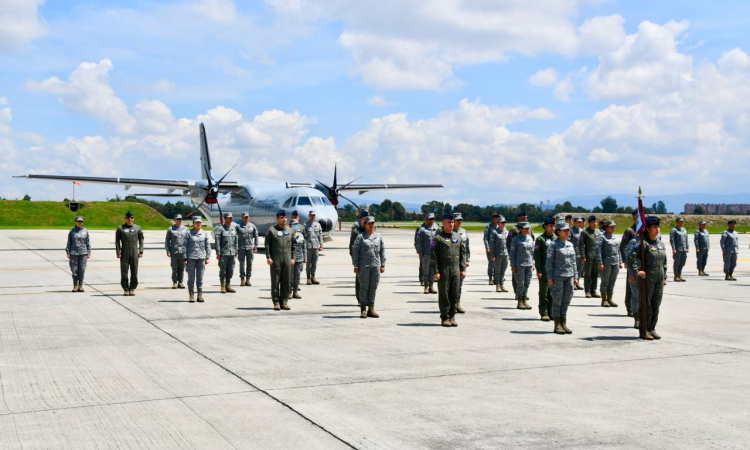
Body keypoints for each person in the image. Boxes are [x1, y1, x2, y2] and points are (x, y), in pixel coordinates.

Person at [628, 216, 668, 340]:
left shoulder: (660, 244)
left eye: (658, 227)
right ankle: (644, 330)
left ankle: (652, 328)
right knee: (647, 305)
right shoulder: (642, 243)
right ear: (647, 229)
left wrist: (664, 276)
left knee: (656, 304)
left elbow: (664, 262)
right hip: (647, 279)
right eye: (654, 227)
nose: (657, 229)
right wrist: (637, 271)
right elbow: (631, 257)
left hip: (659, 279)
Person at [430, 212, 466, 327]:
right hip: (444, 270)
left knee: (455, 293)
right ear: (443, 223)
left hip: (456, 269)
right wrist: (436, 271)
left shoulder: (458, 237)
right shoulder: (437, 239)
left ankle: (452, 316)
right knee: (444, 294)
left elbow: (462, 254)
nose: (451, 224)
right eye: (448, 222)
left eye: (452, 222)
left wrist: (462, 268)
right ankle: (444, 317)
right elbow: (433, 256)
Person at [352, 216, 386, 319]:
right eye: (369, 223)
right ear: (364, 224)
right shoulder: (361, 237)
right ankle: (363, 309)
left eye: (373, 223)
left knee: (373, 287)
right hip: (363, 267)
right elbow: (355, 252)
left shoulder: (378, 236)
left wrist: (383, 264)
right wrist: (356, 265)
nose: (371, 225)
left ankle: (371, 309)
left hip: (375, 266)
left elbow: (382, 251)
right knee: (363, 287)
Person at [546, 222, 577, 334]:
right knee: (557, 301)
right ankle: (557, 324)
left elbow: (574, 262)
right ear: (558, 232)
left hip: (569, 276)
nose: (567, 232)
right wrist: (550, 277)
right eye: (564, 230)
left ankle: (563, 322)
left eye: (568, 230)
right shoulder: (553, 245)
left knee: (566, 300)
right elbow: (549, 262)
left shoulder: (570, 244)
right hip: (557, 276)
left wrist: (575, 276)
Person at [266, 210, 296, 310]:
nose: (284, 219)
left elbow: (294, 245)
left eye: (285, 217)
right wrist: (268, 257)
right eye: (282, 217)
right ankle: (276, 302)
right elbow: (267, 245)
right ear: (277, 218)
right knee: (275, 281)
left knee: (286, 281)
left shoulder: (291, 231)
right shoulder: (271, 231)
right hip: (276, 259)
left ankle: (284, 301)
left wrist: (293, 258)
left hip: (287, 259)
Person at [115, 211, 144, 296]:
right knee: (124, 271)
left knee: (134, 270)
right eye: (128, 217)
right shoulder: (120, 228)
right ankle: (125, 288)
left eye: (131, 217)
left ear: (133, 218)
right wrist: (118, 251)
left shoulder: (137, 228)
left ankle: (132, 288)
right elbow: (117, 241)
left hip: (134, 251)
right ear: (125, 218)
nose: (129, 219)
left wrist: (141, 250)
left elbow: (141, 239)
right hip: (124, 251)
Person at [507, 211, 535, 298]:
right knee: (517, 278)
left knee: (526, 280)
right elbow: (508, 241)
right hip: (517, 258)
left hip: (527, 257)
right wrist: (511, 255)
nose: (525, 219)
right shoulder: (513, 229)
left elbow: (532, 239)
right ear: (518, 218)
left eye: (526, 218)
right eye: (523, 218)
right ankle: (517, 293)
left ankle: (523, 294)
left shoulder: (529, 229)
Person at [534, 216, 556, 321]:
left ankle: (551, 311)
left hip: (554, 272)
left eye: (554, 226)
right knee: (544, 292)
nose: (553, 228)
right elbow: (537, 256)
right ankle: (544, 312)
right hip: (544, 271)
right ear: (545, 226)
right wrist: (539, 270)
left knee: (552, 293)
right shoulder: (540, 239)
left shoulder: (556, 239)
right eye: (550, 226)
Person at [184, 216, 210, 302]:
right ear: (193, 223)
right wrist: (185, 258)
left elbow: (207, 246)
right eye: (196, 222)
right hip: (191, 257)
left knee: (200, 277)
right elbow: (184, 246)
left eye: (199, 222)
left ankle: (200, 295)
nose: (198, 224)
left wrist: (207, 257)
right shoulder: (188, 233)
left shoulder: (204, 233)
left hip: (201, 258)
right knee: (191, 278)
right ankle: (191, 295)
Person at [510, 222, 534, 310]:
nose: (527, 229)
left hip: (529, 264)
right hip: (519, 264)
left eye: (528, 228)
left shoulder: (530, 238)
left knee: (527, 283)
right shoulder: (516, 239)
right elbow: (512, 253)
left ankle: (524, 300)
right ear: (520, 229)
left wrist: (533, 262)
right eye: (525, 228)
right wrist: (512, 265)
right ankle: (519, 301)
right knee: (520, 283)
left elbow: (532, 251)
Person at [598, 220, 621, 307]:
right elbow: (598, 251)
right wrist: (600, 262)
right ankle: (604, 299)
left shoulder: (615, 238)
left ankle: (610, 298)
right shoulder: (602, 237)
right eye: (611, 227)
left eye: (614, 226)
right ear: (606, 227)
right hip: (606, 262)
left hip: (615, 262)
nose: (613, 228)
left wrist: (620, 261)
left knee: (612, 281)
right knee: (605, 281)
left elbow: (618, 251)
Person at [214, 212, 239, 293]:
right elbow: (217, 241)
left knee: (230, 270)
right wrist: (218, 253)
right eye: (229, 217)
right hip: (223, 253)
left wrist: (236, 251)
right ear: (225, 218)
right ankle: (222, 286)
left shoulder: (233, 228)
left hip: (232, 253)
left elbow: (236, 241)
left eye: (231, 217)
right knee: (223, 270)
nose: (230, 219)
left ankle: (228, 285)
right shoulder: (220, 229)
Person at [619, 211, 638, 315]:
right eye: (636, 217)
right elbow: (623, 246)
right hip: (632, 263)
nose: (638, 219)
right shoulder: (629, 231)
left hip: (642, 263)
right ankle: (630, 308)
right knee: (631, 286)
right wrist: (626, 261)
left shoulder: (644, 231)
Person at [66, 215, 91, 292]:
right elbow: (69, 242)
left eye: (81, 221)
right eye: (78, 221)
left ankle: (80, 286)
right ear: (75, 222)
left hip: (83, 253)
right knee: (74, 269)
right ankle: (75, 286)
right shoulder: (72, 231)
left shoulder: (86, 231)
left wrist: (89, 252)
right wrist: (68, 252)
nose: (79, 223)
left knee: (82, 269)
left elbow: (88, 242)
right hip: (74, 253)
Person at [350, 209, 370, 302]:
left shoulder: (371, 230)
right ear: (361, 219)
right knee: (359, 280)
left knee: (369, 281)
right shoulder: (356, 231)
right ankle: (360, 299)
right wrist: (355, 262)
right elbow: (352, 247)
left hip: (369, 260)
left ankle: (367, 299)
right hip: (360, 259)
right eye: (365, 218)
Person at [417, 212, 438, 294]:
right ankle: (426, 286)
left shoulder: (436, 228)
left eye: (433, 219)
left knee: (433, 270)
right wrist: (420, 252)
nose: (432, 221)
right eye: (430, 219)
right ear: (426, 219)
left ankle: (431, 286)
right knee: (426, 270)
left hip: (434, 253)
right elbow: (419, 242)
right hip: (425, 253)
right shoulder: (422, 230)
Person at [165, 214, 188, 289]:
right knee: (174, 268)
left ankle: (180, 282)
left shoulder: (185, 229)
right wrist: (168, 250)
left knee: (182, 268)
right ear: (174, 220)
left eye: (180, 219)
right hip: (174, 251)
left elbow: (188, 240)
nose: (179, 220)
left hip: (183, 252)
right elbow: (167, 241)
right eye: (178, 219)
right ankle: (174, 282)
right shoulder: (171, 229)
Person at [453, 213, 470, 313]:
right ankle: (451, 305)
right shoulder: (448, 232)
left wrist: (467, 259)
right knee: (451, 285)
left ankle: (457, 304)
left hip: (461, 261)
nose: (459, 221)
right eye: (457, 220)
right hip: (451, 261)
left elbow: (467, 247)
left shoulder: (464, 232)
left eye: (460, 220)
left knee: (459, 284)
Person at [581, 215, 601, 299]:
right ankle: (588, 291)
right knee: (588, 274)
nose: (595, 223)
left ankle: (594, 290)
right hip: (589, 254)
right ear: (589, 223)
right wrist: (583, 256)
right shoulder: (585, 232)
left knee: (595, 273)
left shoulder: (598, 232)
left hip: (597, 255)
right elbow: (581, 244)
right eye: (593, 222)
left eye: (595, 222)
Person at [237, 212, 259, 286]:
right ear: (242, 217)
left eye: (247, 217)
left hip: (250, 248)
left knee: (249, 263)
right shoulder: (238, 226)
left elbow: (256, 236)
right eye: (244, 217)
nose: (246, 218)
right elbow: (235, 238)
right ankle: (242, 279)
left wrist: (255, 246)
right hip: (241, 247)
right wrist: (236, 248)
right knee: (242, 264)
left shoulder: (252, 226)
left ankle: (248, 279)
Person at [489, 215, 509, 292]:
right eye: (502, 222)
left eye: (504, 222)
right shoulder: (494, 232)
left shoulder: (507, 232)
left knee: (503, 270)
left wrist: (509, 254)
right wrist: (492, 255)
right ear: (498, 223)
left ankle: (502, 284)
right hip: (497, 254)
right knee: (497, 271)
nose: (504, 224)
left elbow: (509, 243)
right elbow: (492, 245)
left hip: (505, 254)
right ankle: (497, 285)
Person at [625, 236, 641, 329]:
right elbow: (629, 259)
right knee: (636, 297)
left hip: (649, 273)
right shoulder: (634, 241)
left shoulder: (652, 241)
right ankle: (637, 319)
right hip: (635, 273)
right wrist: (631, 274)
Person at [306, 210, 323, 285]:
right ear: (309, 216)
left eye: (314, 215)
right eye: (312, 215)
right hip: (308, 246)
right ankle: (308, 278)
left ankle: (313, 277)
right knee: (308, 263)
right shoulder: (305, 225)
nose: (313, 216)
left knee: (314, 263)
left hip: (316, 246)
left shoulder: (318, 225)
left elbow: (320, 235)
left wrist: (321, 245)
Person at [669, 217, 689, 282]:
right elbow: (672, 240)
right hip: (677, 249)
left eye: (682, 221)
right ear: (677, 222)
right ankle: (676, 276)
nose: (682, 223)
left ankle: (679, 275)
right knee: (677, 263)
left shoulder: (684, 230)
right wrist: (673, 248)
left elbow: (686, 239)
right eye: (680, 221)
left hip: (684, 249)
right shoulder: (674, 230)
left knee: (682, 262)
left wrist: (687, 247)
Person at [290, 218, 306, 299]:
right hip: (291, 258)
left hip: (299, 258)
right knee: (290, 275)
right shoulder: (288, 235)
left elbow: (304, 247)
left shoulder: (301, 235)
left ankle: (295, 292)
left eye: (296, 224)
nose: (295, 226)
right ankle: (289, 292)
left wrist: (305, 257)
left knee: (297, 275)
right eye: (293, 225)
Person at [483, 212, 500, 285]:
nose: (496, 218)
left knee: (498, 263)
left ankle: (496, 278)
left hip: (499, 248)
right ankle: (490, 278)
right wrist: (487, 247)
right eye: (495, 217)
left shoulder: (500, 226)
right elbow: (485, 238)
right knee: (491, 263)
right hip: (491, 248)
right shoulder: (488, 227)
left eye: (497, 217)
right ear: (492, 218)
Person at [570, 217, 585, 290]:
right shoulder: (571, 231)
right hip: (573, 253)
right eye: (578, 222)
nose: (580, 223)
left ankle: (577, 282)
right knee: (574, 269)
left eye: (580, 222)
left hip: (581, 253)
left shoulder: (582, 231)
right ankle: (573, 283)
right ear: (574, 222)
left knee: (580, 269)